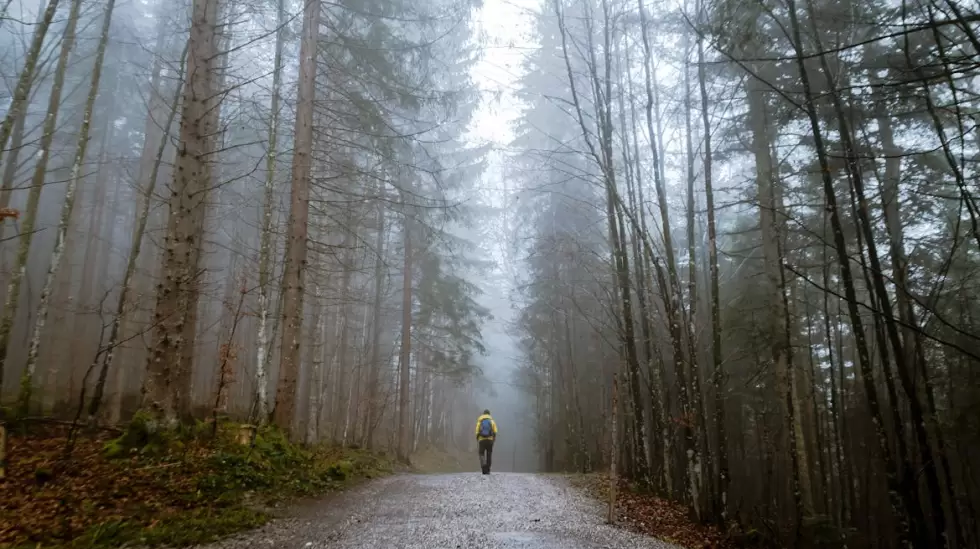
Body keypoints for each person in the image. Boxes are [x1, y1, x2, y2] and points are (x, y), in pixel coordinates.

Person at [475, 409, 497, 474]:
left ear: (483, 414)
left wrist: (477, 438)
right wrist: (493, 439)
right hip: (490, 440)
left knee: (481, 453)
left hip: (482, 440)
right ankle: (488, 469)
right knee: (489, 454)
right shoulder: (492, 421)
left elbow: (477, 431)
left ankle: (484, 466)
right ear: (489, 414)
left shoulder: (480, 421)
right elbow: (495, 431)